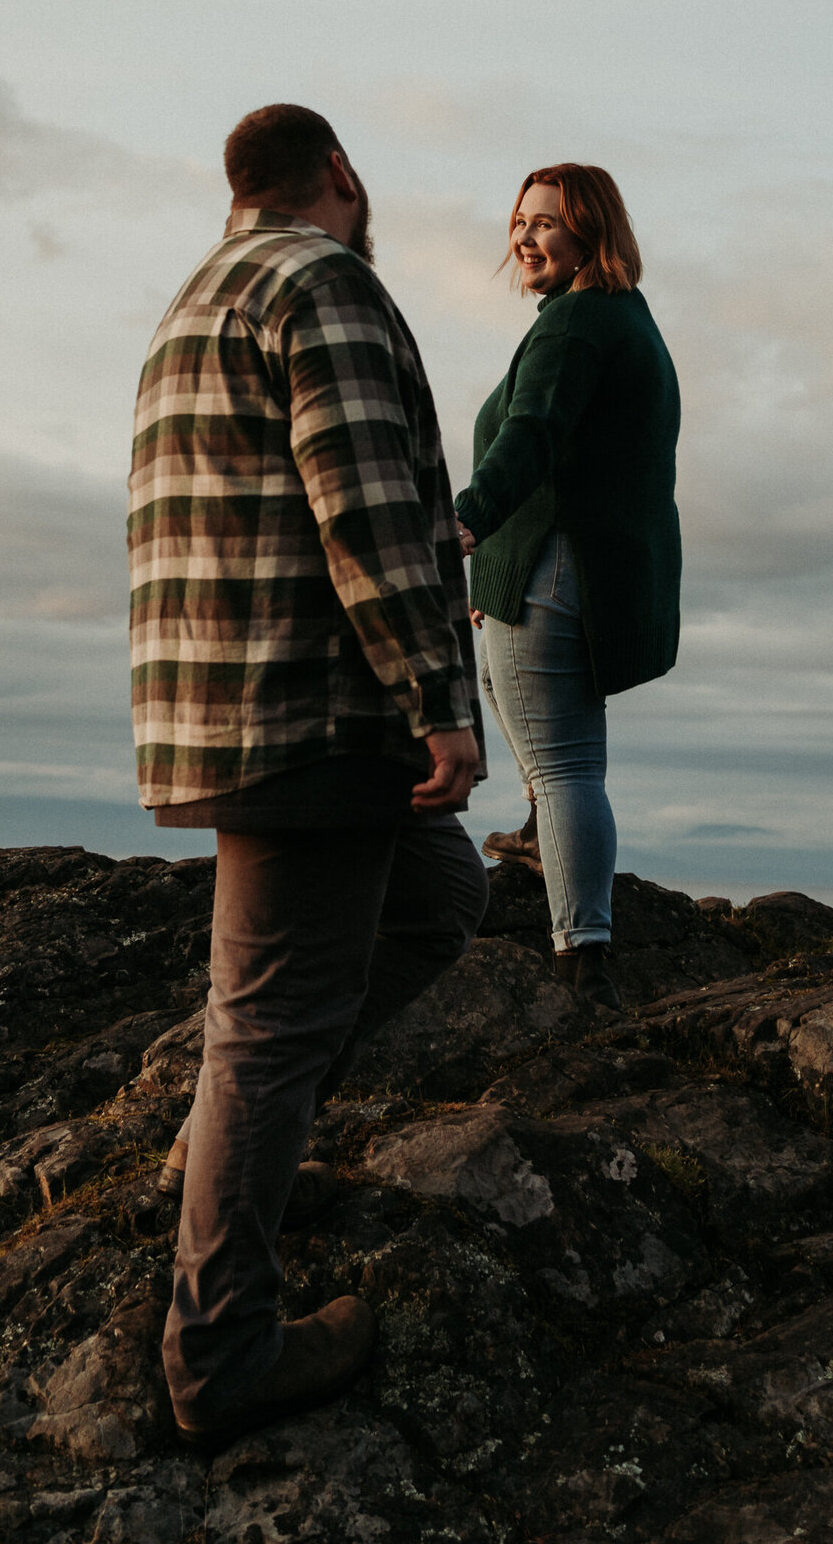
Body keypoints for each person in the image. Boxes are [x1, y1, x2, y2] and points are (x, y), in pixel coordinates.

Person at [128, 103, 486, 1456]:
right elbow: (367, 510)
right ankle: (223, 1350)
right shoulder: (323, 281)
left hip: (222, 710)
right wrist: (438, 703)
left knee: (441, 903)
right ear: (340, 172)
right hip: (312, 717)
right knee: (269, 1030)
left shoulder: (196, 297)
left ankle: (225, 1155)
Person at [454, 165, 681, 1013]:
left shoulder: (576, 325)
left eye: (545, 222)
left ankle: (582, 962)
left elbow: (531, 436)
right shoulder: (622, 318)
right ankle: (543, 842)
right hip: (562, 567)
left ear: (591, 232)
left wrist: (466, 525)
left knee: (566, 766)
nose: (524, 236)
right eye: (518, 221)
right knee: (512, 704)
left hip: (554, 564)